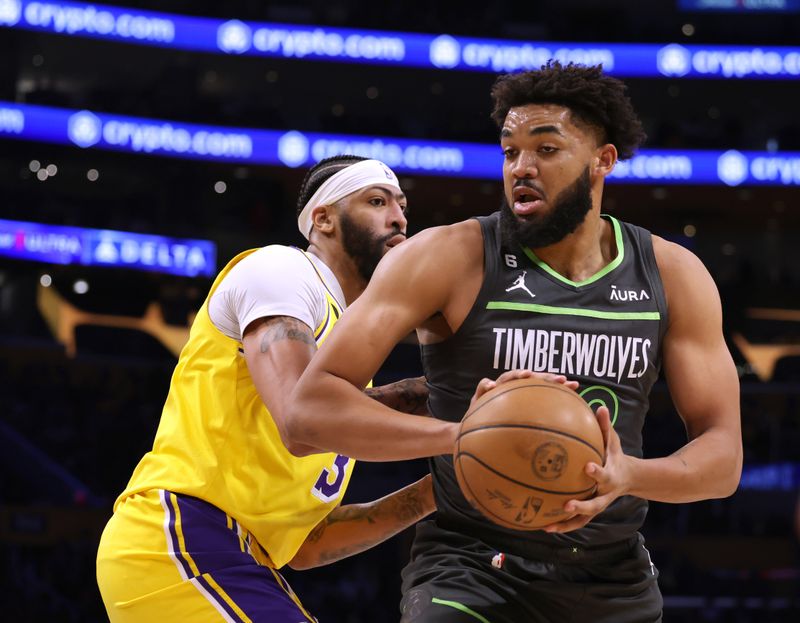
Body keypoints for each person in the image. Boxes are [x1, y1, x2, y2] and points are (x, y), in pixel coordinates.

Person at [288, 62, 743, 622]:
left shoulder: (673, 275)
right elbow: (308, 413)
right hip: (470, 566)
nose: (521, 168)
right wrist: (462, 436)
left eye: (546, 150)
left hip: (611, 575)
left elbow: (723, 458)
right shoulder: (446, 257)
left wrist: (629, 475)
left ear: (603, 161)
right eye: (510, 152)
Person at [96, 155, 445, 622]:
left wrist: (438, 491)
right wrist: (459, 433)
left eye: (402, 205)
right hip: (179, 538)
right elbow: (302, 422)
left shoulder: (345, 363)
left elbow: (305, 545)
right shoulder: (282, 270)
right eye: (377, 201)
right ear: (322, 219)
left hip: (242, 557)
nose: (399, 216)